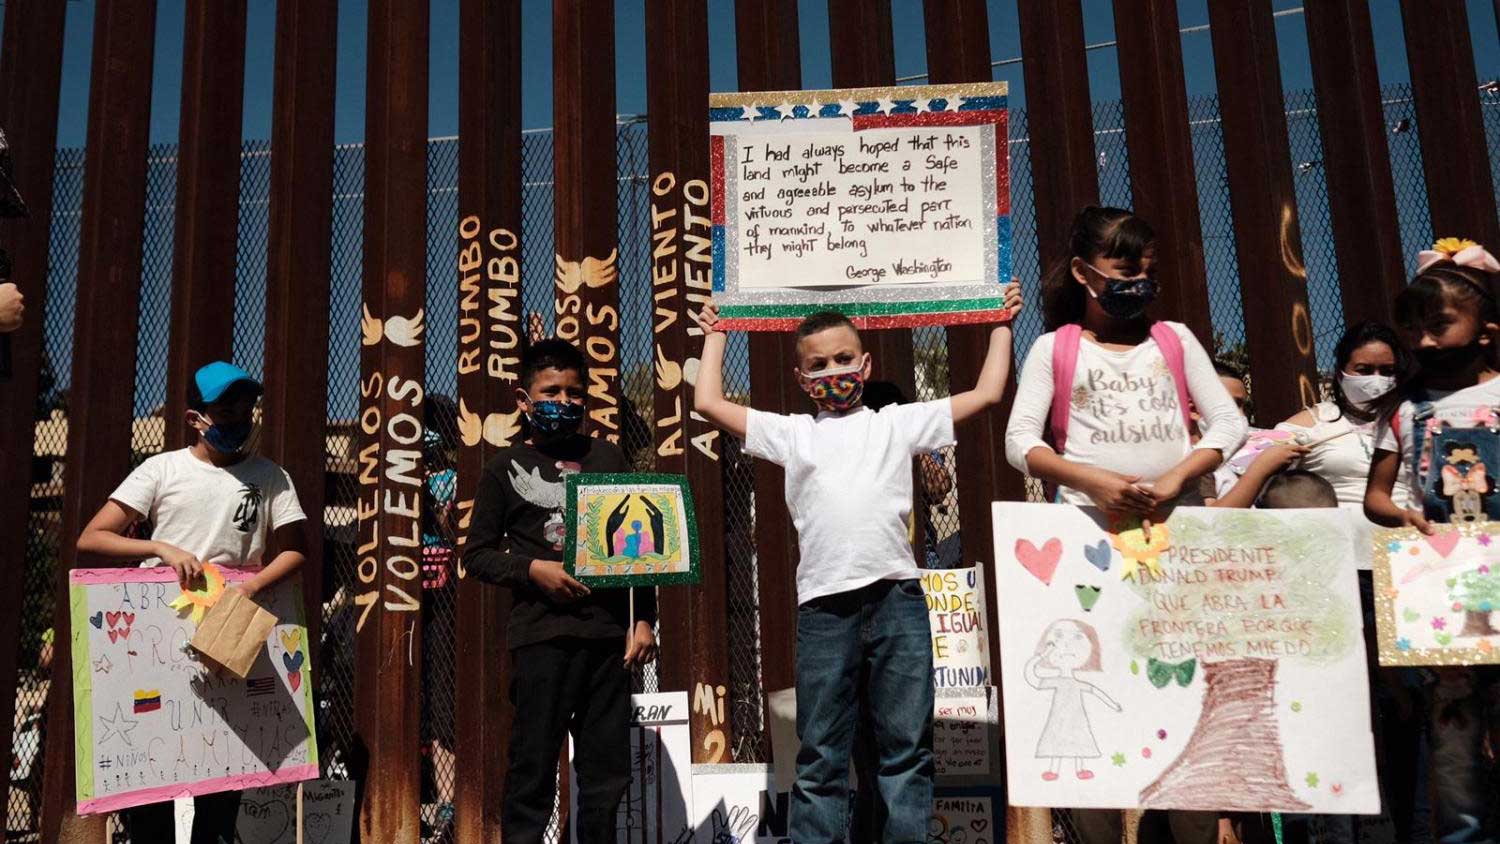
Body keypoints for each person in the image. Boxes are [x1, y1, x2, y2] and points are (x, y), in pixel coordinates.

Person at [691, 282, 1021, 844]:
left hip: (898, 602)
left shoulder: (896, 422)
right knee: (820, 756)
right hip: (824, 609)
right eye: (818, 364)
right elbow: (707, 403)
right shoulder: (792, 433)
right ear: (801, 379)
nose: (832, 370)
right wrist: (716, 334)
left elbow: (988, 392)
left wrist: (1001, 320)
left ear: (865, 365)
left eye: (844, 359)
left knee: (905, 753)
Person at [1004, 206, 1246, 844]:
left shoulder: (1177, 340)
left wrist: (1175, 480)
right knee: (1096, 713)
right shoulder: (1052, 348)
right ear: (1084, 273)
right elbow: (1019, 440)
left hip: (1180, 546)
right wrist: (1093, 482)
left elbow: (1229, 423)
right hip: (1088, 551)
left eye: (1147, 271)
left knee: (1186, 705)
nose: (1138, 281)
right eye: (1123, 269)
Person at [75, 361, 308, 844]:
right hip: (156, 637)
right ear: (195, 418)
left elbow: (295, 549)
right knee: (152, 791)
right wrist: (160, 548)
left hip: (230, 630)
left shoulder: (270, 477)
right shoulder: (161, 470)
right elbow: (93, 537)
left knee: (222, 782)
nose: (239, 418)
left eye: (245, 408)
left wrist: (252, 585)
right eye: (225, 410)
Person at [1218, 321, 1420, 841]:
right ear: (1340, 371)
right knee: (1347, 700)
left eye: (1386, 370)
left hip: (1409, 573)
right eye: (1363, 369)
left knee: (1406, 705)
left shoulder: (1413, 421)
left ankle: (1407, 821)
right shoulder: (1314, 423)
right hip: (1335, 575)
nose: (1375, 379)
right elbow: (1244, 464)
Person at [462, 338, 658, 844]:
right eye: (551, 391)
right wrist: (533, 570)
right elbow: (476, 554)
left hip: (607, 639)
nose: (565, 402)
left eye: (575, 392)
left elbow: (641, 548)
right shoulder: (503, 468)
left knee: (605, 773)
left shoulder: (609, 457)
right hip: (541, 639)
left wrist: (642, 620)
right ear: (523, 399)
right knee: (533, 767)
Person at [1365, 238, 1500, 844]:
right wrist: (1405, 519)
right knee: (1454, 733)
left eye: (1440, 325)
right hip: (1444, 586)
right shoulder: (1404, 410)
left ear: (1486, 330)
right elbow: (1377, 496)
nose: (1423, 341)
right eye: (1415, 329)